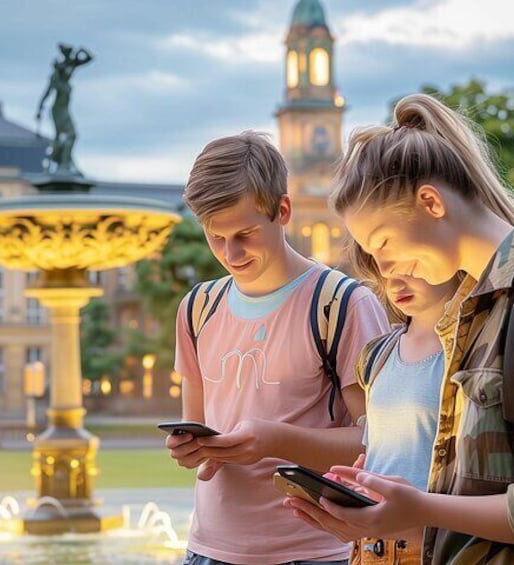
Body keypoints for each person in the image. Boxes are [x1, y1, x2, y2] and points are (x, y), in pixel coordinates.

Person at [285, 92, 514, 564]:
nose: (383, 267)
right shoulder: (477, 310)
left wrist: (423, 508)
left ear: (430, 201)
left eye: (382, 241)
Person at [166, 131, 390, 565]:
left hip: (316, 553)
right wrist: (190, 449)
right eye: (216, 237)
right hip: (207, 550)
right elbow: (197, 428)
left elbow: (380, 443)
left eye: (245, 233)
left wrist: (276, 441)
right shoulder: (196, 308)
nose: (231, 253)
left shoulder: (343, 304)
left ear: (282, 210)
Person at [342, 240, 461, 565]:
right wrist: (356, 483)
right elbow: (382, 454)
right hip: (369, 550)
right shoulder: (377, 354)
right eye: (383, 267)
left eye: (406, 264)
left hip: (435, 549)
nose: (394, 281)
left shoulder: (471, 351)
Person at [35, 43, 93, 175]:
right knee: (69, 135)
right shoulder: (56, 76)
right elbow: (47, 93)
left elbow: (89, 58)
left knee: (63, 137)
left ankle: (58, 163)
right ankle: (63, 164)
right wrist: (39, 109)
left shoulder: (69, 66)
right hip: (58, 110)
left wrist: (82, 49)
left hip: (64, 109)